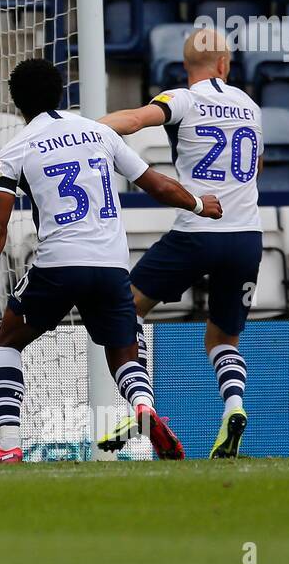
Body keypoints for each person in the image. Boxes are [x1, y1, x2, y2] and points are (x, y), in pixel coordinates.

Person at [0, 58, 223, 463]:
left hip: (59, 265)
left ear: (16, 103)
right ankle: (143, 407)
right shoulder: (98, 131)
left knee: (6, 343)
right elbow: (157, 185)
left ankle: (9, 445)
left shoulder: (15, 149)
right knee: (123, 351)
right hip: (112, 265)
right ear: (61, 92)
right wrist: (200, 203)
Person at [98, 28, 262, 458]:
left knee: (127, 306)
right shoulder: (250, 106)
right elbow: (256, 169)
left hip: (196, 233)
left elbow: (133, 121)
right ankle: (234, 407)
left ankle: (144, 406)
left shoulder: (182, 99)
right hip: (246, 236)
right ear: (225, 65)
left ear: (185, 68)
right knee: (222, 339)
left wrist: (86, 129)